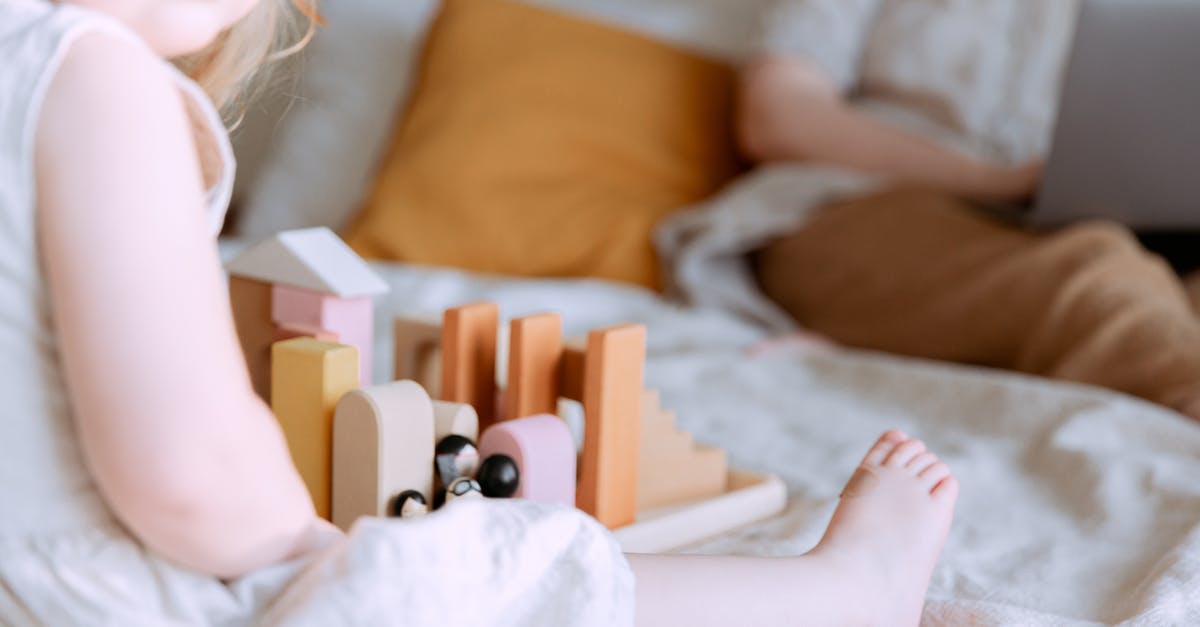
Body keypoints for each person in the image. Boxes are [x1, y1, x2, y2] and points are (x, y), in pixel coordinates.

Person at [0, 0, 958, 624]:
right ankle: (843, 594)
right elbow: (191, 475)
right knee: (499, 571)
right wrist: (301, 543)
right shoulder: (94, 77)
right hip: (98, 599)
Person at [737, 0, 1200, 419]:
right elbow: (776, 115)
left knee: (1134, 276)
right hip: (856, 206)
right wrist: (993, 182)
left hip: (1057, 229)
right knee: (1097, 275)